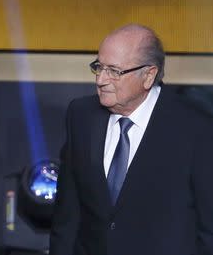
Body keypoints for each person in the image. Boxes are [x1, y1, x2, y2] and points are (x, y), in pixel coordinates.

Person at [50, 24, 213, 255]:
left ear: (148, 76)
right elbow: (67, 216)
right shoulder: (81, 116)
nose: (101, 80)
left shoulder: (196, 127)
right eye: (99, 67)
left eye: (114, 71)